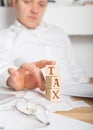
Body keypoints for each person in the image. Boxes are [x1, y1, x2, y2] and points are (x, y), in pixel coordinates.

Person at [0, 0, 89, 91]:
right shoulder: (4, 37)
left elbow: (77, 71)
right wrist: (11, 80)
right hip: (37, 98)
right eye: (27, 2)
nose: (35, 10)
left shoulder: (59, 32)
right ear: (15, 3)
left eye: (41, 4)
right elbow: (2, 69)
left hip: (76, 96)